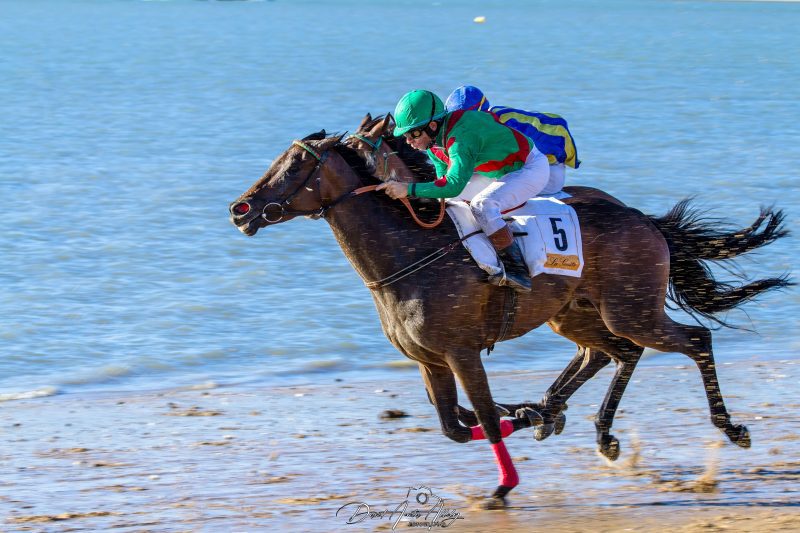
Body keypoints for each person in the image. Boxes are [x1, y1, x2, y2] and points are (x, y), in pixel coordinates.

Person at [377, 89, 551, 293]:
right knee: (452, 201)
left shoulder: (461, 138)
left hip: (529, 168)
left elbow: (454, 184)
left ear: (433, 126)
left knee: (482, 205)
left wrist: (408, 189)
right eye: (405, 135)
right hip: (497, 172)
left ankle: (518, 271)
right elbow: (444, 185)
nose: (409, 141)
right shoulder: (433, 144)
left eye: (413, 133)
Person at [445, 85, 580, 195]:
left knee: (466, 191)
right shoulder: (495, 117)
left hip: (547, 173)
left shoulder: (502, 126)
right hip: (532, 168)